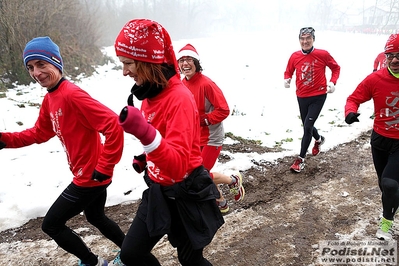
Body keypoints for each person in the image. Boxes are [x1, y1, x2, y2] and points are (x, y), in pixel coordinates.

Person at [0, 37, 125, 266]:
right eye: (30, 67)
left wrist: (105, 166)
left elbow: (114, 125)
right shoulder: (51, 98)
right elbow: (39, 133)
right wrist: (4, 140)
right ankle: (132, 254)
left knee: (51, 225)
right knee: (96, 216)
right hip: (90, 173)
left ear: (56, 63)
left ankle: (92, 262)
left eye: (41, 64)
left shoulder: (72, 94)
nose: (36, 72)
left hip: (90, 176)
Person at [114, 19, 224, 265]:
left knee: (191, 261)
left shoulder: (179, 98)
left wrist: (145, 133)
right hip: (158, 190)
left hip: (186, 194)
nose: (124, 72)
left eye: (128, 63)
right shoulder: (150, 94)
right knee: (132, 253)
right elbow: (162, 138)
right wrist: (145, 157)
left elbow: (177, 166)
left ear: (148, 61)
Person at [177, 43, 245, 214]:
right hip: (192, 138)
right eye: (182, 60)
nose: (185, 64)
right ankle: (220, 199)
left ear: (196, 63)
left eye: (189, 60)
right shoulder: (180, 84)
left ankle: (232, 181)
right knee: (194, 175)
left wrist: (203, 120)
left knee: (199, 175)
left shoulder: (206, 84)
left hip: (211, 138)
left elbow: (224, 109)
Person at [345, 33, 399, 241]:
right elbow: (354, 98)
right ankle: (393, 205)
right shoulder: (375, 79)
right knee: (384, 185)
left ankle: (386, 223)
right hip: (379, 140)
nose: (394, 60)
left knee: (390, 184)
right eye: (390, 55)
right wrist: (350, 112)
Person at [284, 27, 341, 173]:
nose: (305, 41)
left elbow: (336, 68)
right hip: (301, 96)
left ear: (313, 39)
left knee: (308, 126)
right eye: (302, 39)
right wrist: (287, 78)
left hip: (318, 95)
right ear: (299, 40)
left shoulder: (322, 54)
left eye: (308, 38)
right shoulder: (294, 56)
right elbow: (289, 70)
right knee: (306, 124)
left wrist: (333, 83)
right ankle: (319, 139)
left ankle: (300, 159)